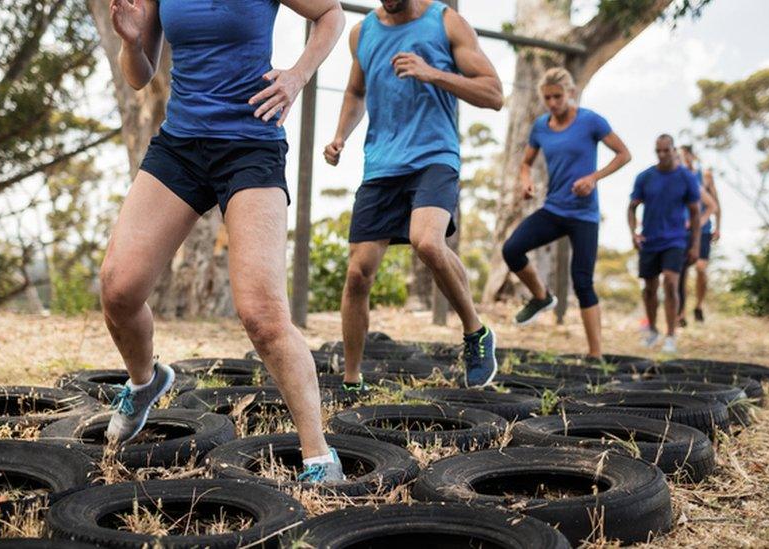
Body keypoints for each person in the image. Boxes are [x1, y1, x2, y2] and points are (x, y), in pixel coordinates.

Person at [100, 0, 346, 482]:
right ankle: (144, 382)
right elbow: (139, 76)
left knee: (262, 314)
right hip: (182, 146)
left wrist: (297, 76)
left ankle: (319, 458)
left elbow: (331, 14)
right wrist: (131, 41)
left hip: (251, 145)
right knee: (118, 289)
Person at [323, 0, 504, 389]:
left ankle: (476, 332)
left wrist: (432, 73)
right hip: (382, 164)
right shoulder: (362, 33)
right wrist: (341, 135)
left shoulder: (447, 24)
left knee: (427, 242)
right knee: (358, 274)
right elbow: (356, 92)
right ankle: (353, 379)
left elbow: (493, 94)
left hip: (434, 156)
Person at [501, 67, 631, 359]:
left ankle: (595, 354)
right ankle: (541, 296)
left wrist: (593, 178)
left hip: (584, 215)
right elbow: (525, 164)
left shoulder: (590, 121)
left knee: (582, 280)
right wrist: (526, 182)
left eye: (558, 97)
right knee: (512, 249)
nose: (552, 103)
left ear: (570, 93)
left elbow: (624, 154)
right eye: (547, 98)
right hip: (554, 209)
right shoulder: (541, 127)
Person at [627, 135, 712, 354]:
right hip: (650, 239)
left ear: (674, 150)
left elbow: (695, 213)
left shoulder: (686, 177)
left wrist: (694, 245)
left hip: (675, 239)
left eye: (666, 150)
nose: (662, 155)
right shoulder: (645, 177)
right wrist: (633, 234)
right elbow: (632, 207)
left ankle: (671, 334)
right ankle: (653, 330)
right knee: (649, 289)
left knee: (672, 283)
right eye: (658, 151)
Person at [679, 145, 721, 323]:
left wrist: (717, 226)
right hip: (682, 230)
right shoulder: (677, 176)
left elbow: (715, 205)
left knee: (701, 268)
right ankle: (680, 313)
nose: (683, 159)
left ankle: (699, 306)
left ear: (691, 155)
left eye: (684, 155)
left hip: (702, 230)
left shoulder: (704, 176)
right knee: (681, 271)